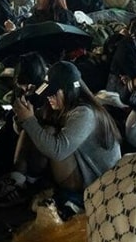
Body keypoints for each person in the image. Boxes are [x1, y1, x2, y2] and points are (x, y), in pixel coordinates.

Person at [13, 61, 122, 216]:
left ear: (68, 91)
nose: (49, 98)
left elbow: (58, 151)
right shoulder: (63, 106)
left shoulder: (85, 113)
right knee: (39, 127)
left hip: (95, 182)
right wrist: (23, 118)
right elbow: (25, 130)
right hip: (77, 168)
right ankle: (17, 180)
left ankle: (27, 184)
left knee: (47, 132)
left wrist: (29, 120)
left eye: (53, 93)